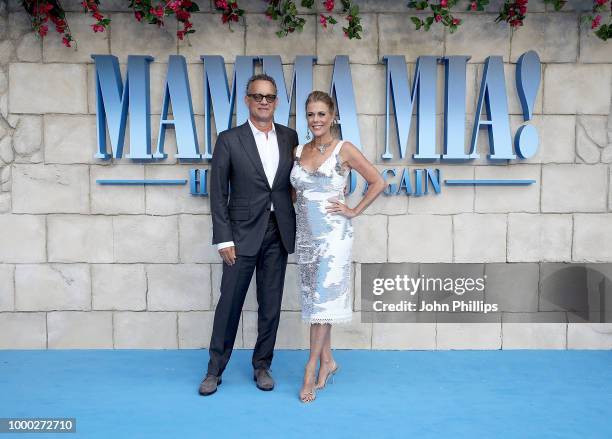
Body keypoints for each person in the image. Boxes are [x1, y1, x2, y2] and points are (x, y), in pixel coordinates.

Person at [199, 74, 299, 396]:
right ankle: (215, 370)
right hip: (240, 236)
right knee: (229, 304)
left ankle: (262, 366)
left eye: (269, 97)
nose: (264, 101)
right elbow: (218, 193)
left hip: (277, 233)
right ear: (247, 100)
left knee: (271, 305)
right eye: (258, 96)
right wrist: (224, 239)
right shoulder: (229, 139)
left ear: (276, 101)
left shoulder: (289, 137)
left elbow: (288, 184)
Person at [290, 91, 385, 403]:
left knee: (321, 304)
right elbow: (295, 194)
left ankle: (310, 369)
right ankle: (329, 362)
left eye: (321, 114)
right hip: (306, 237)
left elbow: (378, 181)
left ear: (332, 117)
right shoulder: (298, 150)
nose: (316, 120)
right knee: (319, 304)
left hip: (334, 237)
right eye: (310, 115)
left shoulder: (344, 149)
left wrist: (354, 211)